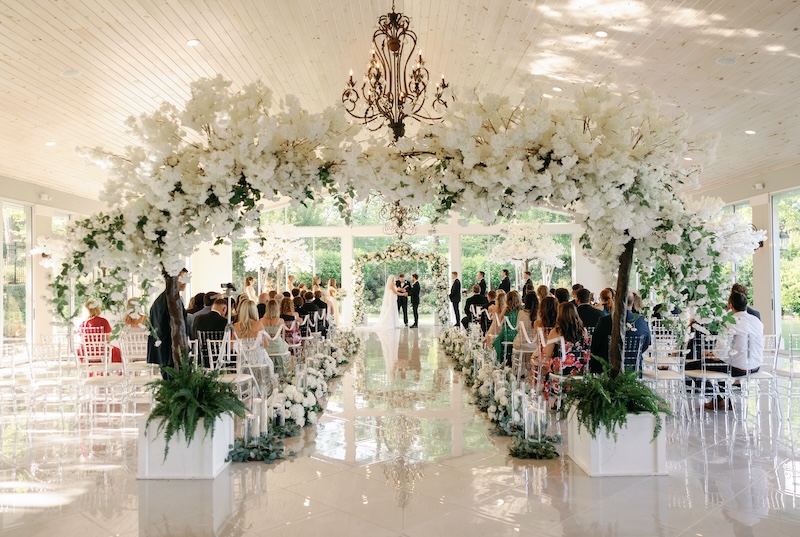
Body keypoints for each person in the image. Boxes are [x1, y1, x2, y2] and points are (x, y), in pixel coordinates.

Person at [690, 291, 764, 410]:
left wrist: (709, 354)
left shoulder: (730, 321)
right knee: (723, 364)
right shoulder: (757, 321)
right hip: (756, 366)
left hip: (738, 369)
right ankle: (723, 400)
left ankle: (718, 399)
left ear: (730, 305)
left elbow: (719, 354)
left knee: (689, 366)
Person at [590, 291, 651, 373]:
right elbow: (646, 344)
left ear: (616, 302)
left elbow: (595, 346)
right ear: (632, 302)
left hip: (606, 368)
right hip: (633, 368)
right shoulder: (642, 321)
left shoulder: (604, 321)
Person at [543, 302, 590, 400]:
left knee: (548, 369)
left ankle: (554, 400)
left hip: (560, 372)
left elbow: (548, 354)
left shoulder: (556, 332)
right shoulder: (583, 331)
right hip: (578, 372)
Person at [147, 270, 189, 376]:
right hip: (170, 350)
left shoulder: (161, 299)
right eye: (181, 278)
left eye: (185, 278)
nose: (184, 282)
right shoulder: (171, 301)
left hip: (164, 350)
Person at [232, 300, 276, 398]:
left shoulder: (235, 326)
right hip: (259, 360)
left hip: (243, 361)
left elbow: (232, 346)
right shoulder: (259, 324)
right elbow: (266, 344)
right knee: (270, 364)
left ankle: (247, 393)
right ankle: (263, 393)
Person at [194, 298, 229, 366]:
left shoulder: (198, 319)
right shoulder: (225, 322)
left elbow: (194, 337)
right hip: (219, 358)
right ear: (224, 309)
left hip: (201, 357)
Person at [491, 290, 522, 364]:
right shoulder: (520, 310)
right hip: (517, 334)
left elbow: (501, 322)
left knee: (496, 341)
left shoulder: (506, 309)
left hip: (506, 332)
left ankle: (500, 359)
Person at [513, 291, 539, 358]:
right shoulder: (539, 314)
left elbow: (518, 328)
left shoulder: (521, 313)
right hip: (535, 345)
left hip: (521, 344)